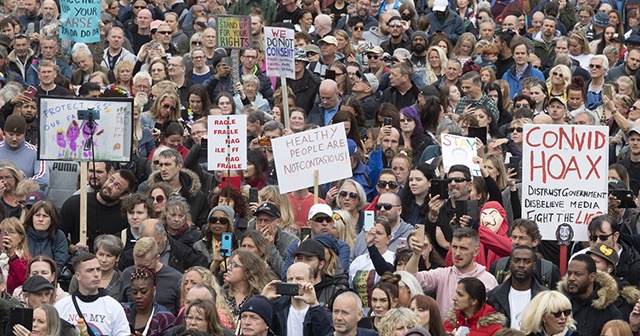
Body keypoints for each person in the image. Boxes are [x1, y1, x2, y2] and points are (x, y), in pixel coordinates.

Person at [408, 228, 498, 320]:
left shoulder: (488, 280)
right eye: (454, 247)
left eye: (463, 248)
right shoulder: (442, 274)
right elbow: (411, 280)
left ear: (476, 251)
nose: (457, 253)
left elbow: (493, 314)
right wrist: (416, 254)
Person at [60, 170, 135, 254]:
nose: (110, 186)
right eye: (111, 180)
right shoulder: (76, 203)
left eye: (117, 186)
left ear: (124, 196)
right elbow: (58, 234)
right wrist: (72, 248)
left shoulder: (126, 214)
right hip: (80, 260)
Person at [55, 253, 130, 335]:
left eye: (98, 269)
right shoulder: (61, 307)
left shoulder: (114, 307)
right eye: (90, 270)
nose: (96, 274)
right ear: (78, 275)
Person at [261, 262, 334, 336]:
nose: (294, 282)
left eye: (299, 279)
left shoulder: (321, 311)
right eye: (290, 279)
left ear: (312, 282)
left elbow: (326, 332)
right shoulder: (277, 308)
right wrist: (262, 298)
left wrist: (314, 305)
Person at [557, 254, 622, 336]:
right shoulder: (560, 307)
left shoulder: (611, 313)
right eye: (569, 273)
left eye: (578, 274)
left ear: (592, 277)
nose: (571, 278)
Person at [487, 245, 549, 329]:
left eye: (527, 261)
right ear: (510, 264)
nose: (521, 265)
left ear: (534, 266)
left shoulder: (546, 297)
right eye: (516, 261)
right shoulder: (492, 296)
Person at [144, 149, 209, 228]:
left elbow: (203, 225)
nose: (163, 169)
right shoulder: (147, 190)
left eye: (167, 164)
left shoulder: (197, 195)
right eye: (161, 165)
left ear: (179, 166)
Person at [119, 237, 183, 315]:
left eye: (146, 266)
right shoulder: (127, 274)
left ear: (157, 258)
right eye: (138, 266)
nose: (142, 270)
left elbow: (181, 314)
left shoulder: (176, 279)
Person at [121, 267, 176, 336]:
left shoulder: (165, 318)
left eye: (143, 292)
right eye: (134, 292)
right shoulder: (122, 311)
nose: (138, 296)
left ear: (154, 291)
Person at [223, 250, 275, 319]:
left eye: (235, 265)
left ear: (248, 272)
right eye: (229, 264)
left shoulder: (260, 295)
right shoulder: (221, 294)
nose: (228, 268)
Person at [0, 114, 49, 188]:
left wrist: (22, 181)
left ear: (24, 134)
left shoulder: (36, 152)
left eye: (18, 135)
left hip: (24, 197)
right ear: (4, 132)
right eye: (11, 134)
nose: (14, 138)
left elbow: (43, 179)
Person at [68, 235, 123, 299]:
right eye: (101, 254)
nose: (104, 260)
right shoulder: (80, 277)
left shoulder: (123, 279)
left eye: (109, 256)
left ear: (117, 258)